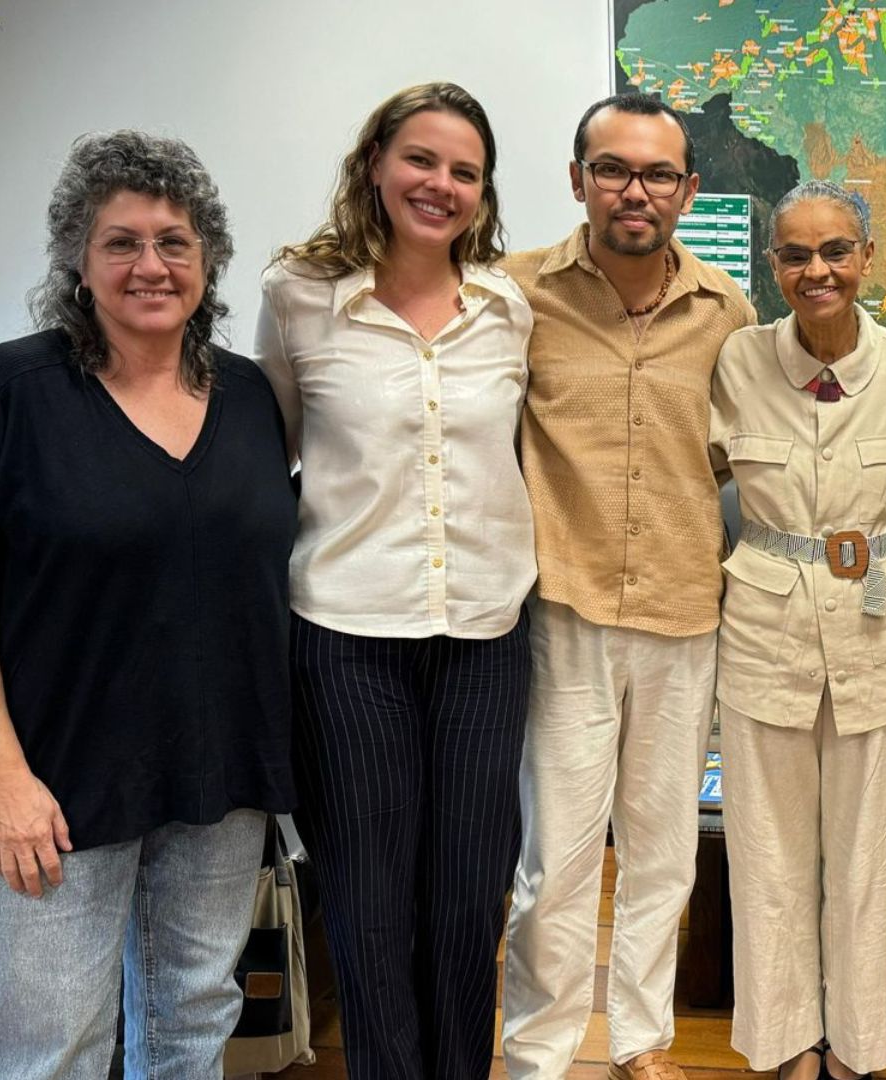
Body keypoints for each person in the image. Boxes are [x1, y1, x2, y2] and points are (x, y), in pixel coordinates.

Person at [0, 130, 296, 1079]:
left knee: (193, 1026)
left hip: (218, 776)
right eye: (120, 242)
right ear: (78, 264)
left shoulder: (251, 395)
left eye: (174, 242)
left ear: (208, 259)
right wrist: (3, 779)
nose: (150, 265)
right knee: (50, 1048)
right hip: (56, 782)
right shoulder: (14, 389)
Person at [256, 82, 536, 1080]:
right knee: (369, 907)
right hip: (346, 637)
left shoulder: (509, 308)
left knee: (466, 899)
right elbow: (268, 460)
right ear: (375, 162)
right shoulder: (299, 295)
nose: (440, 184)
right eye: (421, 159)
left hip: (485, 636)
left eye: (465, 171)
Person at [499, 92, 756, 1080]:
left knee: (663, 850)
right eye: (612, 169)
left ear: (688, 189)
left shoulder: (726, 311)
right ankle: (540, 1053)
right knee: (557, 858)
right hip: (563, 609)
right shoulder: (515, 295)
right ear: (579, 180)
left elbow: (732, 453)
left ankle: (641, 1040)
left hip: (684, 609)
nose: (633, 191)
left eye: (656, 174)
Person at [709, 180, 886, 1080]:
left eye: (836, 250)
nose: (818, 271)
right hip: (764, 629)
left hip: (884, 628)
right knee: (766, 856)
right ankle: (785, 1042)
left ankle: (858, 1045)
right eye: (796, 254)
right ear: (773, 266)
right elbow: (688, 476)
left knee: (866, 860)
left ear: (867, 257)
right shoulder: (735, 362)